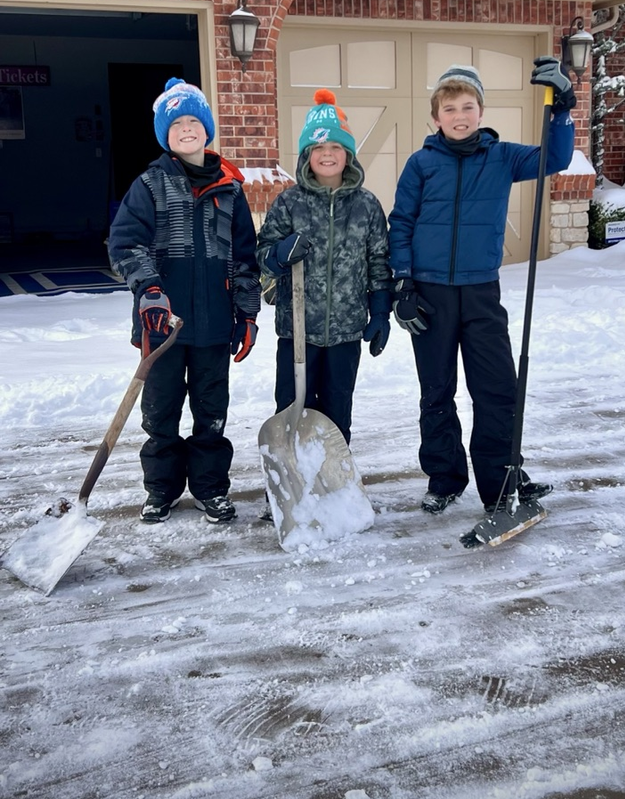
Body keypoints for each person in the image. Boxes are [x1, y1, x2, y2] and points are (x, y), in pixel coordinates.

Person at [388, 58, 575, 516]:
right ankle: (445, 477)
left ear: (481, 111)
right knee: (436, 389)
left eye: (467, 106)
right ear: (436, 117)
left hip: (480, 292)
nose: (459, 115)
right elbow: (402, 223)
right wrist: (402, 283)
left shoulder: (503, 156)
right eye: (449, 108)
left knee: (496, 389)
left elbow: (556, 157)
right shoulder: (420, 164)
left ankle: (503, 478)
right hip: (429, 294)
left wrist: (563, 110)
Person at [108, 77, 261, 524]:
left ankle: (211, 489)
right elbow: (124, 244)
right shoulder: (150, 185)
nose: (187, 129)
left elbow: (245, 260)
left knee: (211, 413)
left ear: (207, 129)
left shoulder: (230, 191)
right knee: (160, 414)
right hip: (161, 326)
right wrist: (149, 290)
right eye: (177, 124)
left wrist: (248, 314)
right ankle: (162, 490)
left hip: (214, 325)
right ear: (166, 136)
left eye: (194, 120)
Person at [256, 88, 392, 505]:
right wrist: (279, 254)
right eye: (319, 148)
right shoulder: (289, 203)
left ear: (348, 154)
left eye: (336, 146)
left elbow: (378, 261)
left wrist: (381, 311)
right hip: (296, 332)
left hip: (346, 330)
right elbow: (262, 254)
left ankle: (332, 485)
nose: (328, 154)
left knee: (336, 411)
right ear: (306, 156)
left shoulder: (367, 206)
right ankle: (289, 489)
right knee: (292, 408)